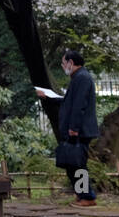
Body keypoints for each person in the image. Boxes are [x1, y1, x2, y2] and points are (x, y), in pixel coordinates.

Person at [37, 50, 99, 206]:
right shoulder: (78, 78)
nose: (62, 66)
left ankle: (87, 197)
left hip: (79, 130)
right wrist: (50, 97)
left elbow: (79, 105)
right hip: (77, 129)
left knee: (78, 165)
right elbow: (69, 101)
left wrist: (74, 128)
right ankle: (82, 195)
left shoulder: (82, 78)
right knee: (73, 164)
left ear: (71, 62)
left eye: (63, 63)